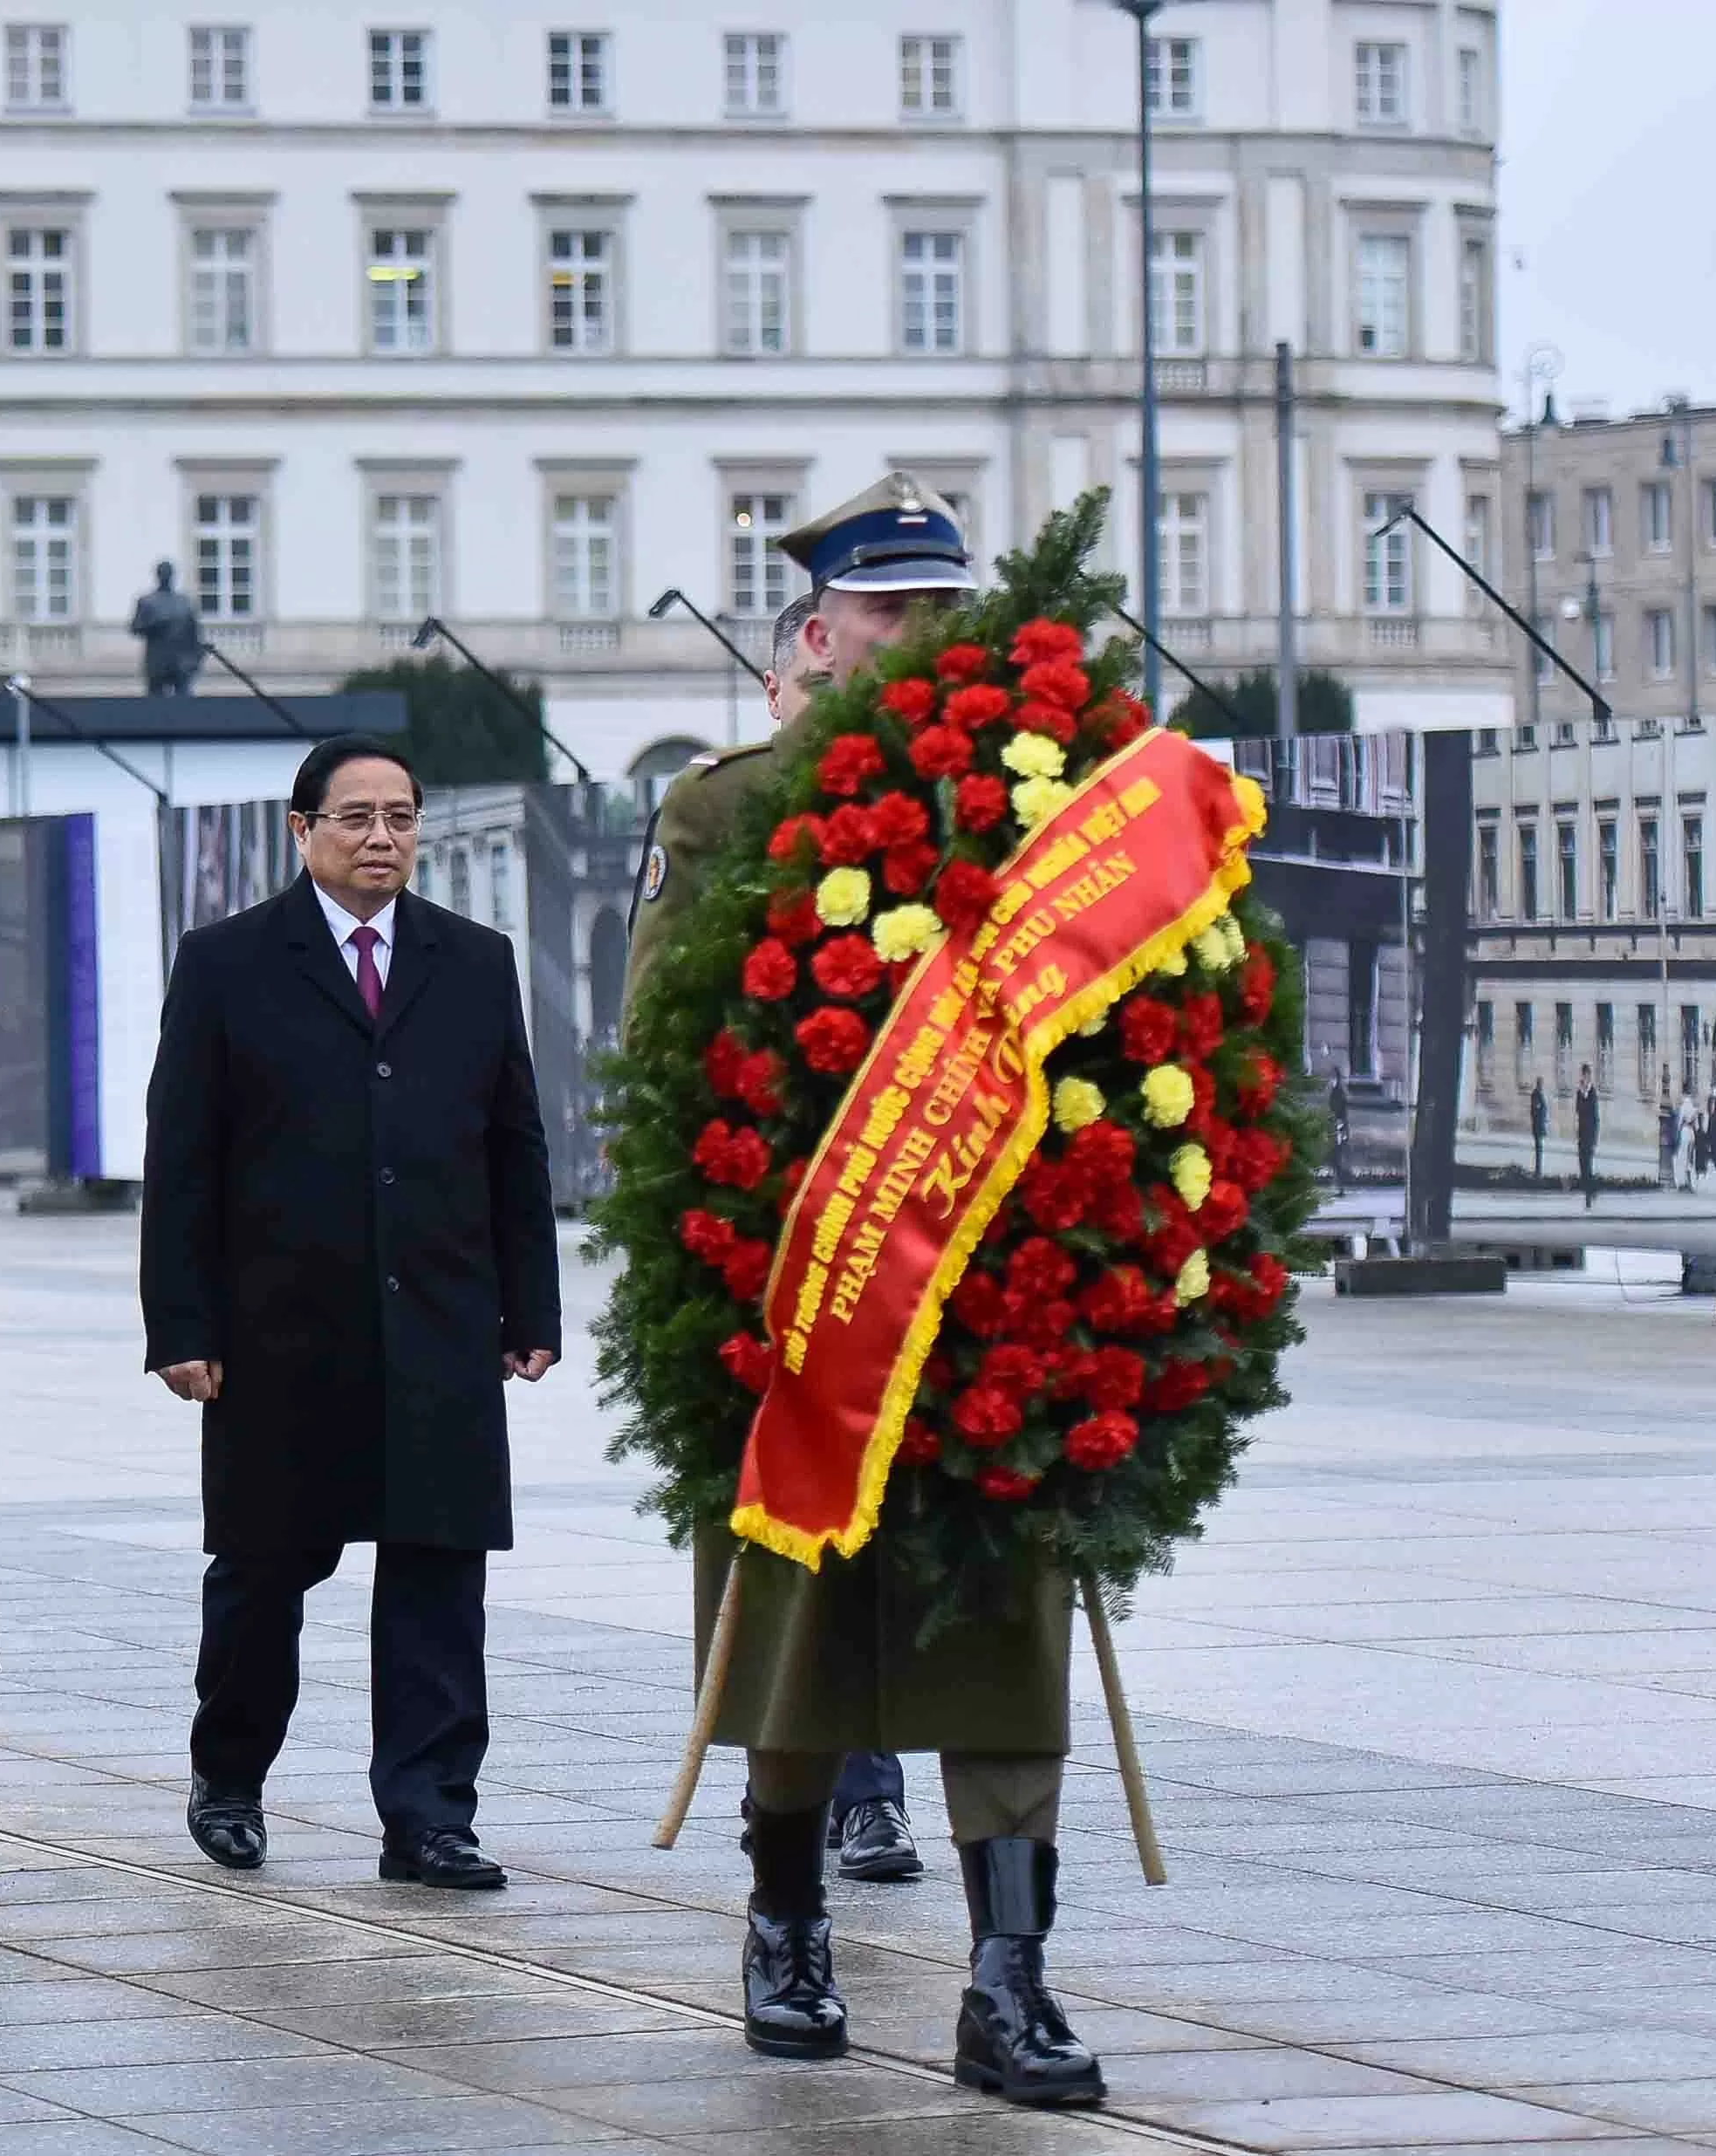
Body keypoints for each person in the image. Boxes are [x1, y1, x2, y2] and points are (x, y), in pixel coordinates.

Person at [680, 476, 1104, 2107]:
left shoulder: (1046, 804)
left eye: (944, 608)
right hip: (814, 1303)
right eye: (889, 612)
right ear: (821, 633)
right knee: (801, 1636)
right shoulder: (732, 810)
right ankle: (785, 1922)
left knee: (1008, 1628)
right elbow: (670, 1074)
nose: (921, 635)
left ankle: (1010, 1979)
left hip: (1001, 1305)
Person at [143, 734, 560, 1891]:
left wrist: (530, 1303)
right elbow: (181, 1156)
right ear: (302, 829)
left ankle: (427, 1815)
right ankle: (227, 1771)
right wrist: (180, 1322)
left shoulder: (471, 961)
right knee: (263, 1570)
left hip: (438, 1320)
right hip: (277, 1329)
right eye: (355, 817)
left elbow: (513, 1146)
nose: (380, 837)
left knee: (437, 1574)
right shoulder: (226, 961)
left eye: (399, 815)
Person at [625, 585, 922, 1888]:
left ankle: (961, 1877)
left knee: (916, 1538)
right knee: (799, 1532)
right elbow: (661, 1033)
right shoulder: (720, 808)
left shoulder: (968, 802)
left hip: (930, 1234)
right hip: (793, 1237)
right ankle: (812, 1838)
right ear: (787, 673)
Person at [129, 560, 204, 695]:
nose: (165, 576)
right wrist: (154, 626)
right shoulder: (147, 601)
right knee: (155, 702)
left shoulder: (184, 602)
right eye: (162, 573)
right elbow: (135, 628)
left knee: (184, 701)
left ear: (172, 576)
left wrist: (196, 659)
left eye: (167, 573)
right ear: (158, 576)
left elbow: (195, 634)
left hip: (181, 662)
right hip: (157, 661)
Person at [1576, 1064, 1601, 1208]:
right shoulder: (1580, 1092)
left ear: (1589, 1076)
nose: (1584, 1078)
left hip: (1590, 1133)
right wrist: (1581, 1093)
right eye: (1583, 1076)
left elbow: (1595, 1115)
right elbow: (1578, 1110)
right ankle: (1592, 1189)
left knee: (1588, 1165)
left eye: (1587, 1076)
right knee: (1582, 1165)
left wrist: (1595, 1136)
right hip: (1582, 1133)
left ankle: (1588, 1199)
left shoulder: (1592, 1093)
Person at [1528, 1078, 1550, 1181]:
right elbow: (1536, 1110)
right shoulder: (1536, 1095)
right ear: (1538, 1084)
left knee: (1539, 1149)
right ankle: (1538, 1172)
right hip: (1538, 1126)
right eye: (1541, 1084)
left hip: (1540, 1125)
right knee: (1539, 1149)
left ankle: (1539, 1170)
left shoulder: (1539, 1094)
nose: (1542, 1086)